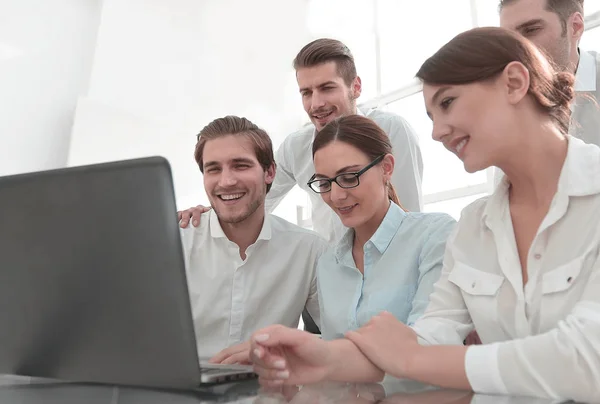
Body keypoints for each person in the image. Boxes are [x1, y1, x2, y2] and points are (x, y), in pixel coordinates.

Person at [247, 27, 600, 403]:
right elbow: (432, 333)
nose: (435, 132)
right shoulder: (474, 225)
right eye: (430, 114)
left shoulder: (438, 233)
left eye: (447, 103)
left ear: (513, 83)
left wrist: (413, 361)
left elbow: (584, 358)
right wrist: (321, 357)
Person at [178, 38, 423, 244]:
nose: (316, 104)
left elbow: (410, 215)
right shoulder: (296, 147)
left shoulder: (392, 130)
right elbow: (255, 202)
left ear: (355, 87)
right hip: (334, 272)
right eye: (306, 92)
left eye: (327, 88)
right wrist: (208, 215)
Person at [181, 115, 326, 364]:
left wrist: (289, 347)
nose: (226, 181)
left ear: (269, 172)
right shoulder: (176, 243)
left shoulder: (309, 251)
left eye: (240, 165)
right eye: (213, 169)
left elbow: (344, 337)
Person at [308, 115, 455, 340]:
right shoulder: (329, 264)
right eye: (325, 184)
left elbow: (429, 344)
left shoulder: (434, 236)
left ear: (386, 168)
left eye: (349, 177)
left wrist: (325, 355)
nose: (336, 196)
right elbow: (333, 352)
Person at [499, 0, 599, 145]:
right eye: (509, 38)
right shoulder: (509, 102)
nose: (516, 48)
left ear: (575, 27)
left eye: (531, 30)